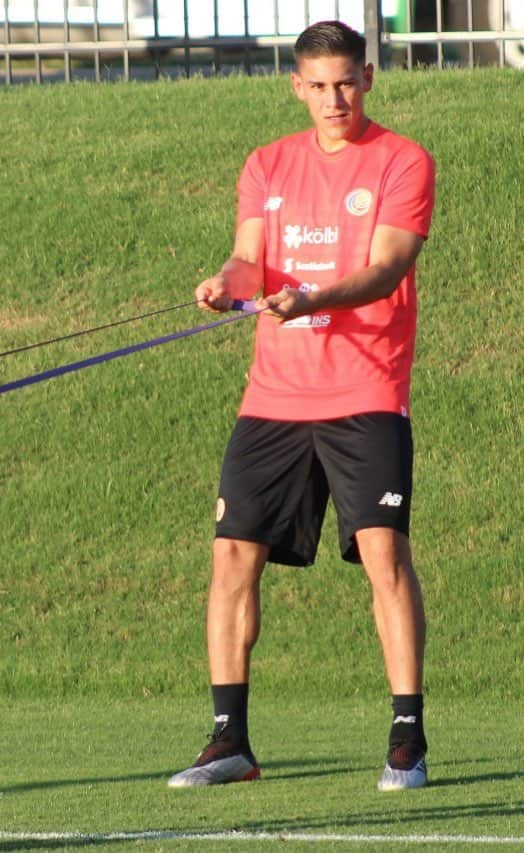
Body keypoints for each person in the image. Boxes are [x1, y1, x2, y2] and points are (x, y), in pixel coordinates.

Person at [168, 20, 435, 792]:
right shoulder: (267, 163)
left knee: (383, 554)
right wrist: (227, 284)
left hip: (366, 390)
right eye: (317, 85)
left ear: (369, 78)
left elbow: (386, 269)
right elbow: (249, 255)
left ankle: (408, 739)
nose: (333, 99)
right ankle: (229, 742)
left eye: (346, 81)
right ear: (296, 86)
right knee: (230, 556)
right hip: (274, 398)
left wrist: (313, 294)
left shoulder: (402, 159)